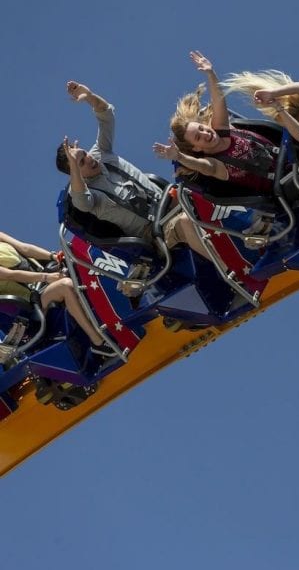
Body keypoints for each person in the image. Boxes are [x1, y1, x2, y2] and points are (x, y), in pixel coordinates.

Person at [156, 51, 280, 195]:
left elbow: (218, 100)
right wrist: (180, 157)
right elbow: (203, 167)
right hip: (284, 185)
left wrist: (210, 73)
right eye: (198, 137)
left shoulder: (222, 130)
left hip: (292, 157)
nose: (205, 133)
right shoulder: (216, 163)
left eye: (201, 128)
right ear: (196, 148)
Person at [55, 82, 163, 241]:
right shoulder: (82, 191)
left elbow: (106, 114)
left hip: (169, 202)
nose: (89, 159)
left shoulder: (100, 152)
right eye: (81, 163)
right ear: (75, 172)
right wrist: (74, 167)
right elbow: (82, 202)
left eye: (85, 154)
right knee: (185, 223)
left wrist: (89, 97)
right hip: (153, 232)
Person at [0, 231, 117, 358]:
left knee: (77, 256)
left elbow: (24, 247)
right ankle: (97, 343)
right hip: (29, 305)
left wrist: (53, 256)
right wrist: (47, 277)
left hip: (41, 285)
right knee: (65, 286)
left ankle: (116, 305)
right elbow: (9, 275)